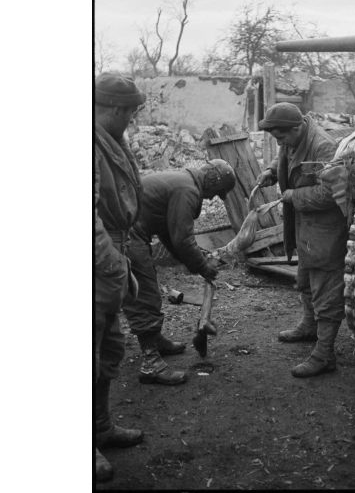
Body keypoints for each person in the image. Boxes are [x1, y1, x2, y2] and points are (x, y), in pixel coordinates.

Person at [122, 160, 236, 385]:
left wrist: (196, 262)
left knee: (146, 288)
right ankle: (150, 363)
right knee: (145, 294)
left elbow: (168, 233)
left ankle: (155, 341)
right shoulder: (188, 190)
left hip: (128, 231)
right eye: (217, 192)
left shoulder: (182, 181)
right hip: (125, 235)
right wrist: (203, 266)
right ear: (212, 180)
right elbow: (182, 239)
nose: (213, 197)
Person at [257, 103, 347, 378]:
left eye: (281, 137)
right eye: (276, 139)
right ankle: (309, 325)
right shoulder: (294, 138)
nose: (280, 143)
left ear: (296, 128)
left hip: (326, 230)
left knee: (327, 290)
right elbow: (286, 153)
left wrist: (293, 197)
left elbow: (332, 194)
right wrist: (272, 171)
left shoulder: (324, 148)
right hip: (305, 226)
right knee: (305, 280)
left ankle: (324, 354)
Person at [95, 72, 146, 482]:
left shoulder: (111, 139)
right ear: (112, 108)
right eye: (128, 112)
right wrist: (112, 263)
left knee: (109, 346)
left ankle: (100, 428)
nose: (131, 119)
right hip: (96, 253)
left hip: (113, 246)